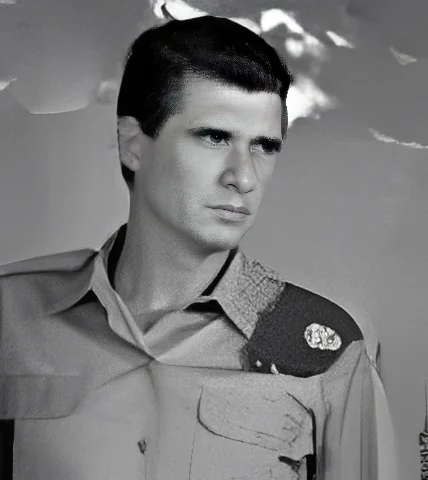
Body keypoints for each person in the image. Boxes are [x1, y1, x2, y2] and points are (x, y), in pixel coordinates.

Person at [0, 15, 398, 480]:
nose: (244, 177)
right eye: (214, 137)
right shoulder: (11, 315)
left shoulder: (324, 351)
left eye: (264, 146)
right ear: (133, 145)